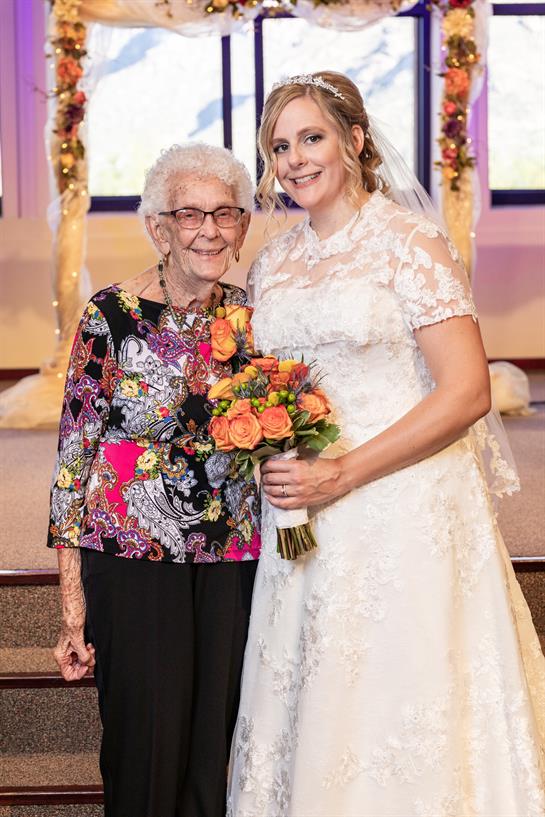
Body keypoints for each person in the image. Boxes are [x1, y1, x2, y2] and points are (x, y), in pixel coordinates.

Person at [227, 72, 545, 816]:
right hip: (302, 511)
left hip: (400, 500)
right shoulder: (273, 262)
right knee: (315, 687)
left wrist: (342, 472)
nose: (295, 159)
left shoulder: (410, 245)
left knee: (399, 689)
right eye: (280, 146)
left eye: (311, 137)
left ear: (355, 140)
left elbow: (465, 391)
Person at [47, 143, 261, 817]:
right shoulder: (109, 318)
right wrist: (72, 609)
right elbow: (72, 461)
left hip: (232, 558)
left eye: (225, 213)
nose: (208, 229)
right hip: (134, 556)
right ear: (156, 225)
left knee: (211, 750)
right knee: (146, 748)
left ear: (243, 226)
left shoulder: (255, 316)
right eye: (189, 213)